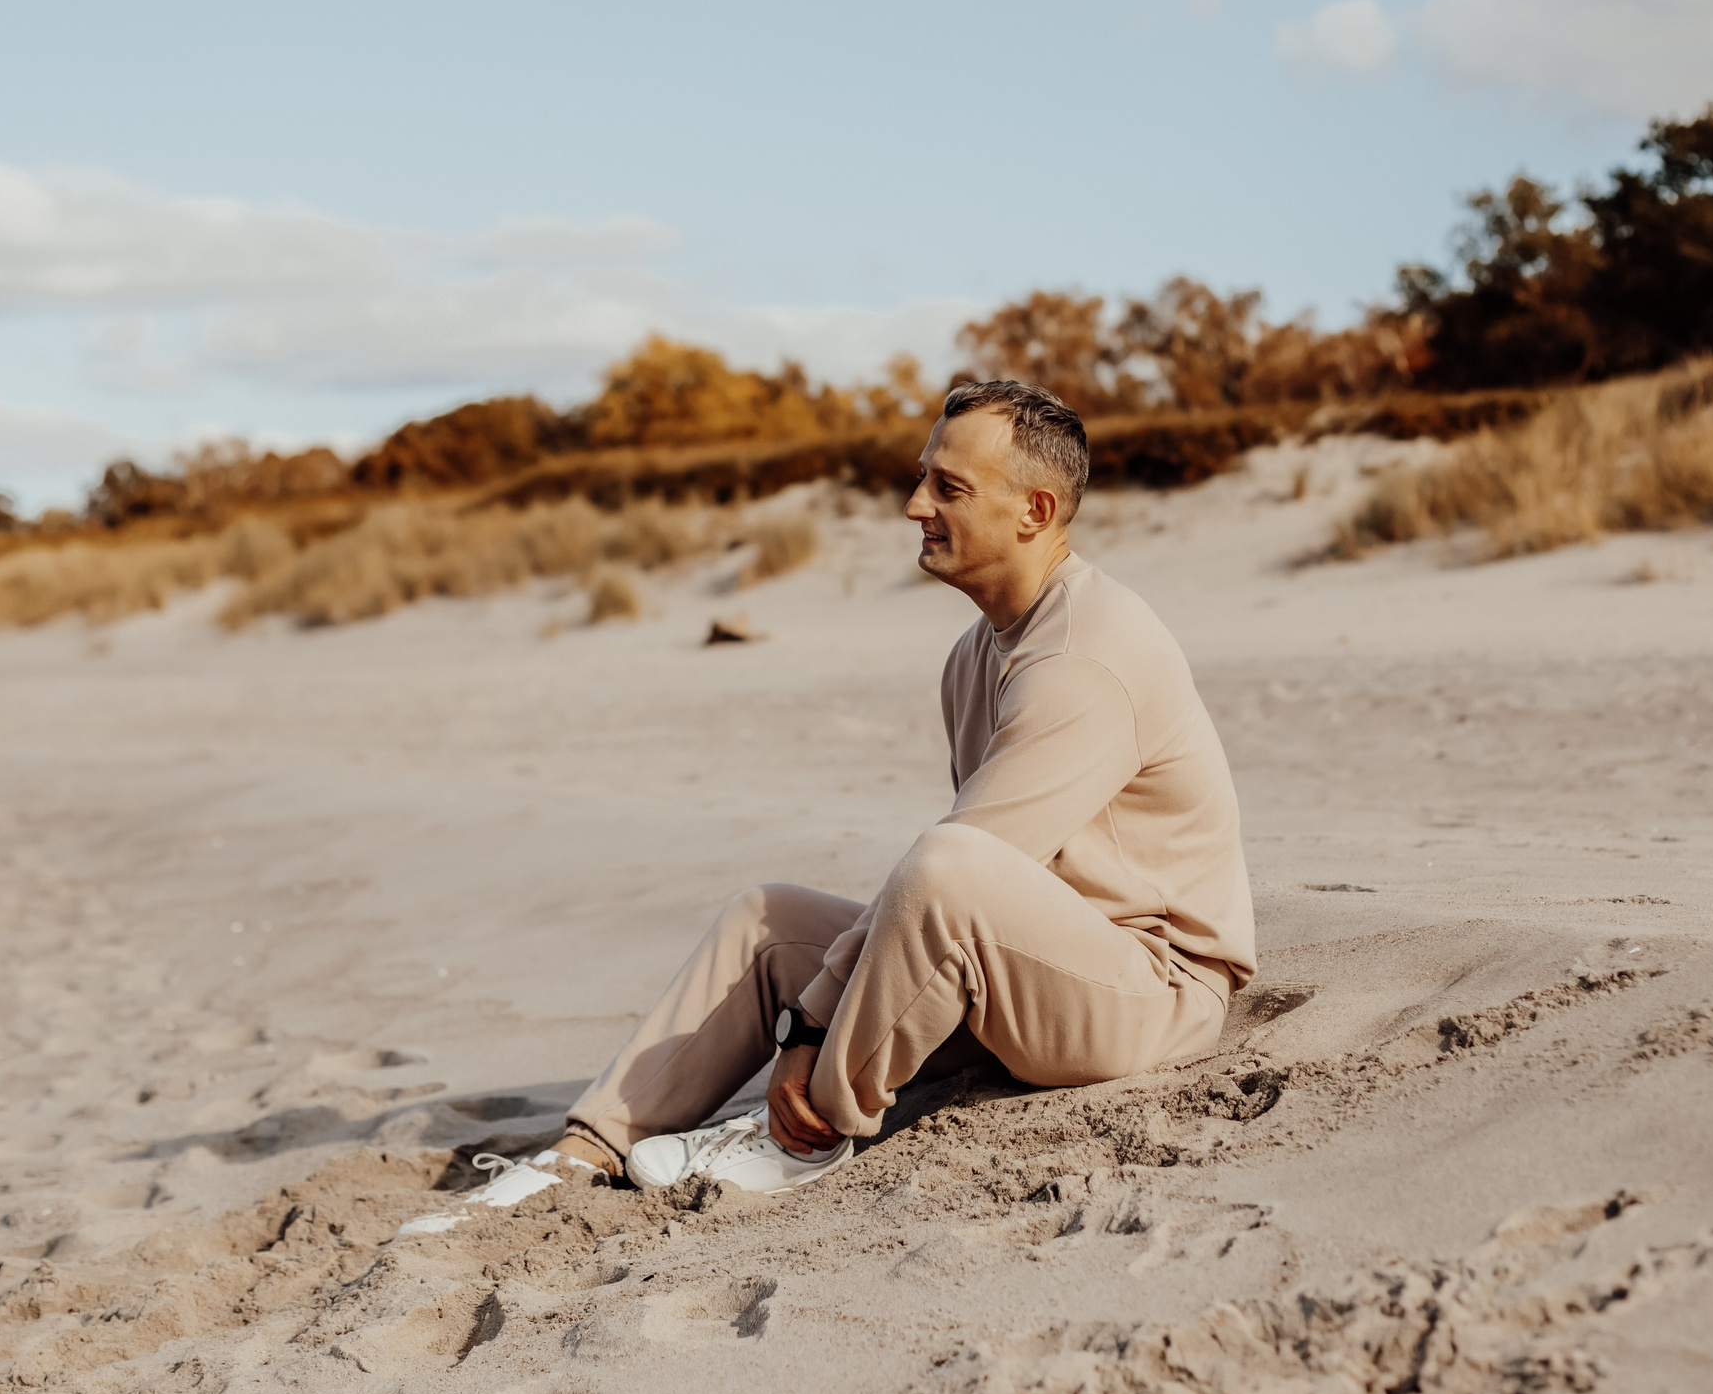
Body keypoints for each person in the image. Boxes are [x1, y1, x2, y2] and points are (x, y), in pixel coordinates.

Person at [403, 378, 1253, 1225]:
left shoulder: (1084, 655)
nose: (916, 504)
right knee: (766, 920)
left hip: (1148, 994)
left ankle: (808, 1130)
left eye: (948, 487)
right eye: (922, 476)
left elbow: (969, 866)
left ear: (1035, 511)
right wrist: (823, 998)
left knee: (947, 863)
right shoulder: (974, 653)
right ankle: (582, 1152)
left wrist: (808, 1029)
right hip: (1024, 972)